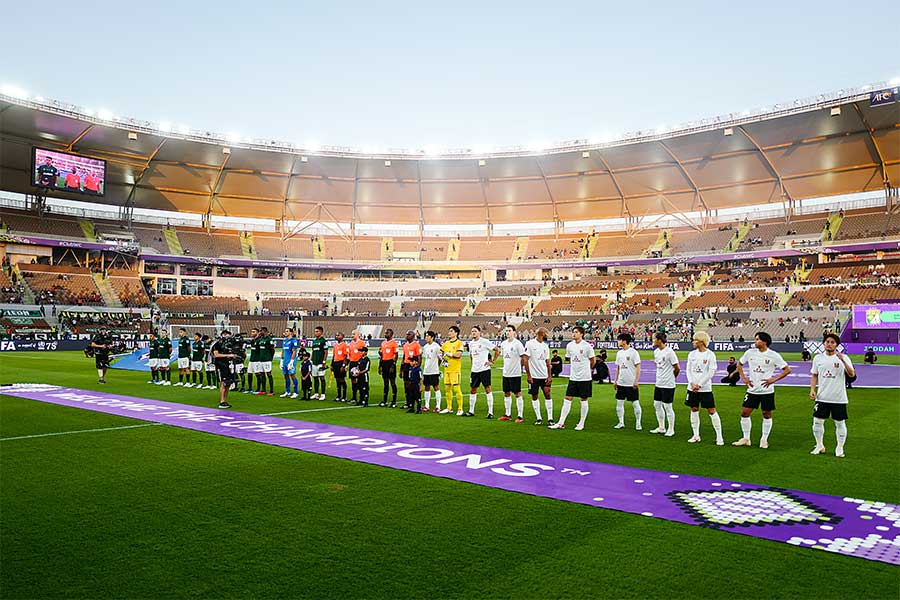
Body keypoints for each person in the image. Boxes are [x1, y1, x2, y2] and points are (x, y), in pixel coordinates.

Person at [733, 332, 791, 449]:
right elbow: (739, 364)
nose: (755, 341)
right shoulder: (750, 353)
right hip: (752, 390)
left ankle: (764, 440)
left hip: (767, 391)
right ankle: (746, 438)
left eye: (758, 339)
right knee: (744, 413)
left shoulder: (773, 355)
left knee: (766, 414)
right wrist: (744, 378)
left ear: (765, 342)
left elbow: (787, 370)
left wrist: (773, 380)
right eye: (755, 339)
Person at [810, 333, 855, 457]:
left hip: (839, 398)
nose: (829, 344)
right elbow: (814, 375)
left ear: (837, 345)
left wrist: (843, 361)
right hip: (822, 397)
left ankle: (839, 448)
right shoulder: (818, 358)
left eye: (832, 342)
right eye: (827, 342)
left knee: (840, 423)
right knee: (817, 422)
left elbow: (851, 374)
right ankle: (819, 445)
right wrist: (812, 389)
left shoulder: (844, 357)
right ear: (824, 343)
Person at [550, 326, 595, 430]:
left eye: (576, 332)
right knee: (567, 398)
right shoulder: (570, 345)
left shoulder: (587, 346)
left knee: (583, 400)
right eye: (573, 332)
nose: (573, 334)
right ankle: (561, 422)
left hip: (584, 378)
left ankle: (581, 423)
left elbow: (593, 360)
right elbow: (569, 358)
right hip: (573, 377)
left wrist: (587, 370)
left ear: (581, 334)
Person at [685, 331, 723, 445]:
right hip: (692, 388)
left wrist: (700, 384)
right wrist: (692, 383)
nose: (693, 342)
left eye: (695, 340)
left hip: (705, 388)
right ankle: (696, 435)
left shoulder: (710, 355)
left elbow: (711, 372)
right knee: (694, 409)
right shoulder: (691, 354)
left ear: (701, 342)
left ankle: (719, 437)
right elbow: (688, 370)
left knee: (711, 410)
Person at [651, 332, 679, 436]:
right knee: (657, 404)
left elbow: (677, 368)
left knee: (668, 406)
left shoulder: (669, 352)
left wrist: (671, 378)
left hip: (668, 384)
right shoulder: (656, 352)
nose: (652, 340)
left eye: (654, 339)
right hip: (659, 382)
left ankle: (671, 429)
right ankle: (661, 427)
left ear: (659, 340)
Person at [524, 327, 553, 426]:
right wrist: (528, 375)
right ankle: (539, 418)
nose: (547, 335)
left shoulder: (545, 346)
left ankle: (550, 418)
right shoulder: (530, 344)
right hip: (534, 376)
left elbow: (548, 362)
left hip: (544, 375)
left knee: (547, 394)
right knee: (534, 396)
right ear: (541, 333)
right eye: (546, 333)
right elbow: (525, 359)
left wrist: (549, 376)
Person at [467, 325, 498, 418]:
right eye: (472, 331)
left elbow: (497, 350)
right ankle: (471, 411)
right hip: (474, 370)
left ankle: (490, 412)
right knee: (473, 389)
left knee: (487, 389)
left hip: (484, 369)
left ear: (479, 332)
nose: (473, 333)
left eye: (475, 331)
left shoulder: (484, 342)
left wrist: (492, 361)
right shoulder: (471, 343)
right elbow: (471, 356)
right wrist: (472, 365)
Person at [613, 333, 642, 430]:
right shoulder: (619, 353)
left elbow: (638, 367)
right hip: (621, 383)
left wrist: (636, 381)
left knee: (635, 403)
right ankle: (621, 422)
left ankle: (638, 423)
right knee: (619, 403)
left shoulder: (633, 352)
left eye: (619, 340)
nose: (618, 342)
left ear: (624, 341)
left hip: (631, 383)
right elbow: (618, 368)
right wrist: (615, 380)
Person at [499, 324, 527, 422]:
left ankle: (520, 416)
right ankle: (508, 414)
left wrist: (521, 368)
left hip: (515, 373)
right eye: (506, 331)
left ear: (514, 332)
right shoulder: (503, 344)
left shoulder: (518, 344)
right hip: (506, 373)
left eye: (509, 330)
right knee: (506, 393)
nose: (507, 332)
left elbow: (523, 357)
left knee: (517, 393)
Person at [440, 326, 465, 415]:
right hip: (447, 369)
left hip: (455, 370)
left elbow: (458, 355)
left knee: (457, 389)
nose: (449, 333)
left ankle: (460, 408)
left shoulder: (459, 343)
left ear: (456, 333)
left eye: (451, 331)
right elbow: (441, 353)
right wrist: (443, 361)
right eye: (449, 331)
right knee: (447, 389)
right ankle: (449, 407)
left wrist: (450, 354)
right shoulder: (446, 343)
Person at [210, 330, 238, 409]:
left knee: (228, 383)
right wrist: (228, 355)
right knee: (223, 382)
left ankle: (225, 400)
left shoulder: (229, 344)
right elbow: (216, 355)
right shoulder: (217, 343)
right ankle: (222, 401)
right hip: (220, 365)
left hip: (227, 364)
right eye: (226, 335)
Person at [421, 330, 443, 412]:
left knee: (436, 387)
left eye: (427, 336)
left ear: (432, 337)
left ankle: (438, 406)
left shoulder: (436, 346)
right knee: (427, 387)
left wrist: (437, 366)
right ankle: (427, 405)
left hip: (434, 371)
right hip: (426, 370)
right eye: (426, 336)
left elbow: (440, 358)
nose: (426, 338)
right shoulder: (425, 346)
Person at [401, 330, 422, 409]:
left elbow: (419, 357)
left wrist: (416, 368)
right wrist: (401, 369)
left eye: (408, 334)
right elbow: (404, 357)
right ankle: (408, 402)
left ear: (413, 336)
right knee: (406, 384)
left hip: (413, 366)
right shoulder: (405, 345)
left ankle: (413, 403)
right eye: (406, 334)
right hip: (406, 365)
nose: (407, 336)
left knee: (412, 385)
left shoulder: (417, 345)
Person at [378, 328, 399, 408]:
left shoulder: (394, 343)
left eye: (387, 333)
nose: (386, 334)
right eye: (385, 333)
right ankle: (385, 400)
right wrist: (380, 366)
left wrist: (393, 365)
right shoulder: (383, 343)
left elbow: (396, 355)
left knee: (392, 382)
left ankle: (394, 401)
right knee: (385, 383)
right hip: (384, 363)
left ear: (391, 334)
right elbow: (381, 355)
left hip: (390, 363)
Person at [347, 330, 367, 404]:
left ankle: (361, 397)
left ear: (358, 335)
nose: (352, 335)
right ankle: (354, 397)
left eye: (354, 334)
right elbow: (349, 355)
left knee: (360, 381)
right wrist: (347, 365)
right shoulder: (350, 344)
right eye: (352, 334)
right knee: (353, 380)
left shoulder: (362, 343)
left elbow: (364, 352)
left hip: (359, 363)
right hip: (352, 363)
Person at [280, 327, 299, 398]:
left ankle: (296, 392)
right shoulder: (284, 341)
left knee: (292, 375)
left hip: (291, 361)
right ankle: (287, 391)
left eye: (287, 331)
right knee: (286, 376)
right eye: (285, 331)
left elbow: (294, 351)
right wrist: (281, 360)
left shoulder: (293, 341)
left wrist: (291, 361)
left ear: (290, 332)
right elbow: (283, 351)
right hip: (285, 361)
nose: (285, 332)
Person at [310, 326, 328, 400]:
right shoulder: (314, 341)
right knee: (315, 378)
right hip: (314, 362)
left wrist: (324, 362)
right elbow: (313, 351)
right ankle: (316, 393)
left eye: (317, 331)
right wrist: (311, 360)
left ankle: (323, 394)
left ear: (321, 332)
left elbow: (326, 352)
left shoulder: (324, 341)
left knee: (322, 378)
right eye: (315, 331)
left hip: (320, 362)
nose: (315, 333)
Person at [351, 342, 371, 407]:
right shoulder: (360, 359)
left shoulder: (367, 359)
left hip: (364, 376)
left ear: (366, 352)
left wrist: (359, 373)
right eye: (360, 351)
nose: (361, 352)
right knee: (360, 388)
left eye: (362, 351)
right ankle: (361, 400)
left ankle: (366, 401)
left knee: (365, 389)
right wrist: (355, 372)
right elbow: (358, 367)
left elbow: (367, 369)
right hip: (359, 376)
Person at [331, 332, 349, 402]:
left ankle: (344, 396)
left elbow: (345, 356)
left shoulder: (344, 345)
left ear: (343, 336)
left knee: (342, 379)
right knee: (337, 380)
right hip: (335, 363)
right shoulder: (335, 345)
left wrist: (344, 365)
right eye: (336, 335)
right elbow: (334, 355)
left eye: (339, 335)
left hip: (341, 363)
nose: (337, 336)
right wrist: (332, 364)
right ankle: (338, 395)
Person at [260, 327, 275, 396]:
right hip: (261, 360)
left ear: (265, 331)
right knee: (262, 374)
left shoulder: (269, 339)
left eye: (261, 331)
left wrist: (271, 358)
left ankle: (271, 391)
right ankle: (263, 390)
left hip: (267, 359)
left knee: (269, 374)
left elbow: (272, 349)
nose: (260, 332)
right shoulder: (261, 339)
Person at [247, 328, 263, 394]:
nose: (252, 333)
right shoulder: (253, 340)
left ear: (257, 333)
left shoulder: (259, 340)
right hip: (251, 360)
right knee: (249, 373)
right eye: (252, 332)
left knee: (257, 374)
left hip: (257, 360)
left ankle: (258, 388)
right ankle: (250, 388)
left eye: (253, 332)